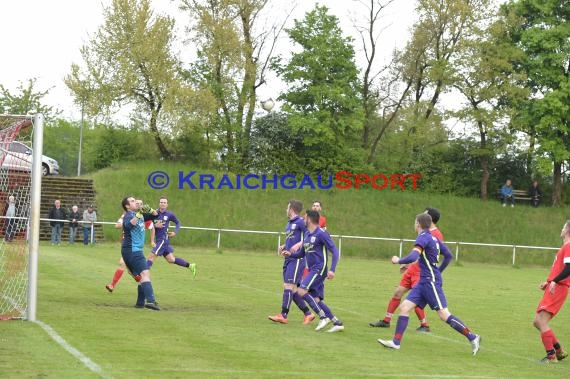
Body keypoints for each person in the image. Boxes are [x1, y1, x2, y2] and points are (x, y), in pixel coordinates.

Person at [378, 213, 481, 355]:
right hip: (423, 281)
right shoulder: (433, 238)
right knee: (405, 307)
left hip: (430, 282)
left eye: (415, 222)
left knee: (444, 314)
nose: (414, 225)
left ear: (418, 224)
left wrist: (398, 260)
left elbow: (414, 256)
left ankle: (473, 337)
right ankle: (396, 343)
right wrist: (437, 271)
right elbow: (449, 256)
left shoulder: (423, 237)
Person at [370, 207, 443, 332]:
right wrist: (408, 265)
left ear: (430, 218)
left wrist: (401, 261)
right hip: (413, 269)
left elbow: (429, 256)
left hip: (422, 272)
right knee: (397, 293)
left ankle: (424, 325)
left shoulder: (436, 234)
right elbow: (418, 253)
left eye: (424, 214)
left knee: (415, 300)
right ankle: (386, 320)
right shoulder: (424, 232)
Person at [282, 210, 344, 333]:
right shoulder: (307, 235)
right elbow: (302, 253)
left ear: (309, 219)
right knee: (316, 299)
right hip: (312, 269)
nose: (303, 220)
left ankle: (323, 317)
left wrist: (332, 270)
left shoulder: (321, 233)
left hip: (319, 268)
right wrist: (290, 254)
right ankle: (336, 322)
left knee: (301, 290)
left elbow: (335, 251)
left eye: (305, 218)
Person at [268, 200, 315, 325]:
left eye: (287, 207)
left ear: (292, 209)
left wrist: (299, 245)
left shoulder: (300, 222)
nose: (286, 209)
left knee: (288, 286)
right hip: (288, 259)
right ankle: (308, 314)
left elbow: (309, 234)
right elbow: (292, 239)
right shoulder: (289, 224)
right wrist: (284, 246)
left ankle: (283, 315)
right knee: (293, 290)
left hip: (297, 259)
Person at [532, 220, 570, 363]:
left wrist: (554, 281)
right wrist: (548, 282)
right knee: (537, 321)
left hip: (559, 288)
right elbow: (561, 268)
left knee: (541, 321)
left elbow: (569, 268)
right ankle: (559, 351)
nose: (561, 229)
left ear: (567, 230)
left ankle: (551, 356)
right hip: (554, 286)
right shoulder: (565, 246)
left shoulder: (569, 246)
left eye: (563, 227)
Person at [106, 201, 155, 293]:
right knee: (130, 270)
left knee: (123, 264)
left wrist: (152, 241)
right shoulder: (126, 215)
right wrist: (126, 223)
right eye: (136, 203)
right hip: (127, 246)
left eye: (140, 204)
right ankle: (142, 282)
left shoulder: (144, 217)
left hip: (134, 247)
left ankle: (113, 284)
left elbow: (152, 227)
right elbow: (117, 225)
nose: (138, 205)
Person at [120, 196, 160, 310]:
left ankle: (140, 303)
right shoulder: (128, 215)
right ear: (127, 206)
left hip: (131, 251)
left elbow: (156, 215)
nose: (136, 203)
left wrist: (150, 209)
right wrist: (139, 214)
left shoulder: (140, 215)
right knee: (145, 274)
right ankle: (151, 301)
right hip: (132, 250)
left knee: (141, 277)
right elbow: (128, 226)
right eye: (133, 201)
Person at [147, 197, 197, 276]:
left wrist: (175, 232)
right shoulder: (154, 213)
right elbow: (149, 224)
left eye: (164, 202)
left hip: (163, 240)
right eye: (161, 202)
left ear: (167, 205)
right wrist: (155, 226)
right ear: (159, 203)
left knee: (151, 257)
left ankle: (143, 275)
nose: (162, 204)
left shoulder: (169, 214)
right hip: (159, 240)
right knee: (171, 259)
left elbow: (178, 222)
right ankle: (191, 266)